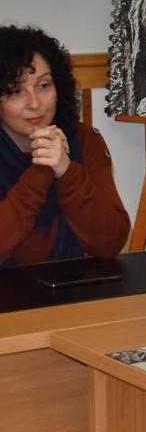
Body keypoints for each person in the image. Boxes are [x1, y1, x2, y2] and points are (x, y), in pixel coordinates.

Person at [0, 26, 130, 266]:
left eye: (43, 86)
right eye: (15, 91)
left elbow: (111, 242)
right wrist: (42, 170)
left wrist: (67, 171)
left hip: (72, 292)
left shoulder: (84, 139)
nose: (34, 103)